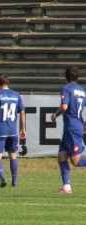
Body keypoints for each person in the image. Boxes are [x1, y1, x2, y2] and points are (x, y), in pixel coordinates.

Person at [0, 73, 26, 188]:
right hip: (12, 131)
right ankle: (14, 181)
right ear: (8, 82)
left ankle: (2, 178)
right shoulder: (16, 95)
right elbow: (22, 112)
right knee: (13, 155)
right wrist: (23, 129)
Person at [51, 66, 86, 194]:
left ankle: (67, 187)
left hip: (72, 127)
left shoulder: (66, 89)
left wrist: (55, 115)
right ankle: (66, 188)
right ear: (77, 77)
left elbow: (64, 106)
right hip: (72, 128)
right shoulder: (82, 90)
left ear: (65, 77)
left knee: (75, 161)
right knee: (61, 157)